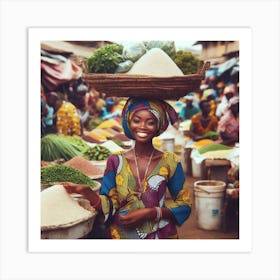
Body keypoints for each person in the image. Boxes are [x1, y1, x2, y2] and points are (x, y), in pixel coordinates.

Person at [64, 97, 192, 239]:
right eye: (136, 120)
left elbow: (184, 204)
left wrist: (152, 212)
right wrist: (86, 192)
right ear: (129, 123)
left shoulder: (170, 161)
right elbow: (110, 204)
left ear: (158, 126)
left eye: (150, 122)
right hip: (121, 235)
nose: (142, 126)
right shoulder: (116, 161)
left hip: (158, 235)